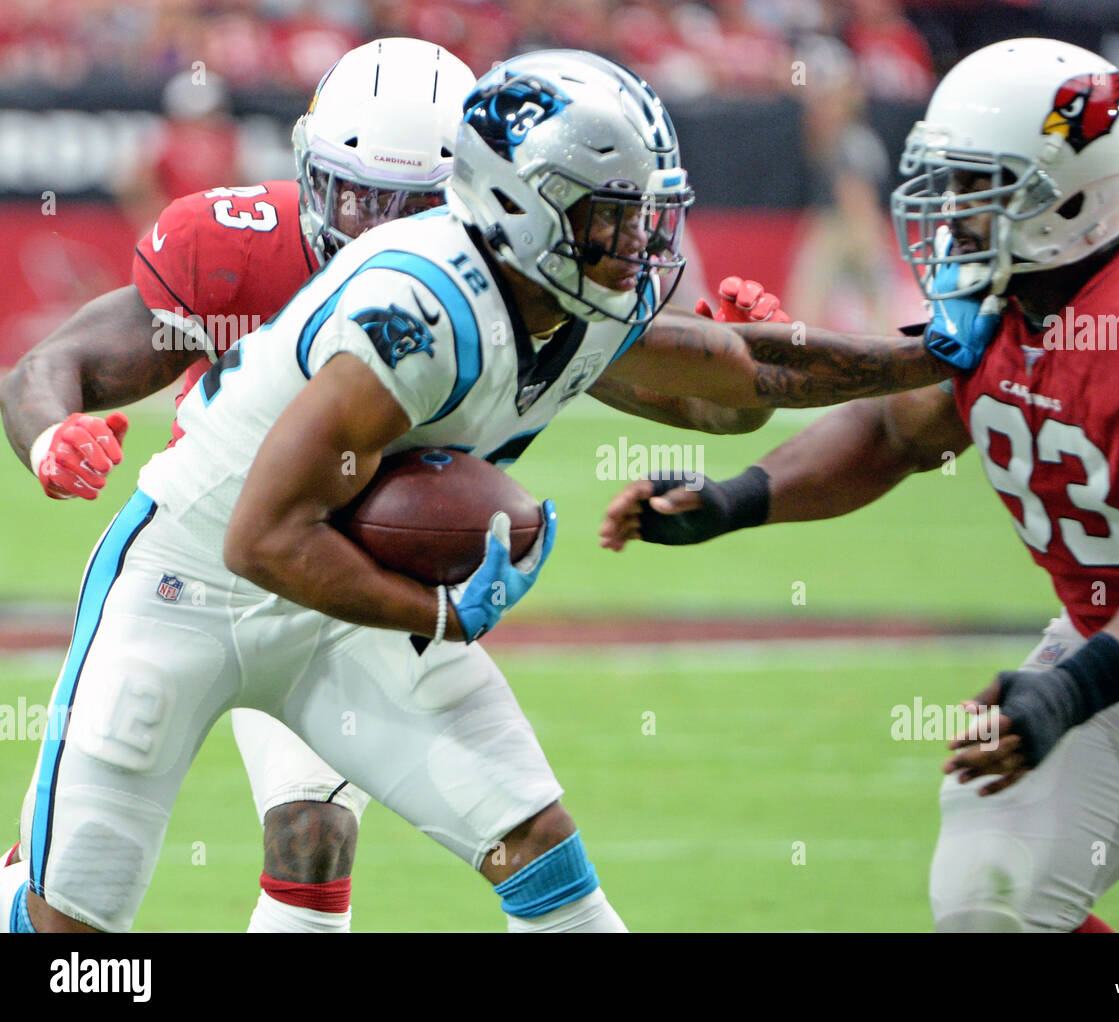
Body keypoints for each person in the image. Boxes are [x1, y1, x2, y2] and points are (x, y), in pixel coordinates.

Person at [5, 48, 978, 934]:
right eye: (615, 214)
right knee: (72, 933)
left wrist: (931, 351)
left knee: (543, 861)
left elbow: (741, 376)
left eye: (641, 212)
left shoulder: (558, 277)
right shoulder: (414, 309)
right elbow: (258, 538)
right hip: (193, 581)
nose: (638, 239)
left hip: (348, 595)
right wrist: (432, 605)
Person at [601, 37, 1119, 932]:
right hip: (1115, 662)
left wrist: (1069, 690)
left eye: (979, 186)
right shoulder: (1005, 294)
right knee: (983, 904)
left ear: (1073, 193)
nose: (952, 211)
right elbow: (895, 433)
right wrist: (735, 500)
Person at [0, 37, 477, 934]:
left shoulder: (495, 285)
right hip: (187, 567)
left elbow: (654, 373)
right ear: (310, 170)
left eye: (411, 207)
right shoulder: (237, 244)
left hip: (330, 581)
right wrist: (51, 434)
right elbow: (53, 363)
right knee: (66, 900)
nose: (378, 230)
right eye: (357, 194)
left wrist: (755, 367)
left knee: (315, 837)